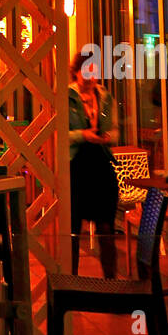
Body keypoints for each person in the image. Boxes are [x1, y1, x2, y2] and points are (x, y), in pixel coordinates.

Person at [68, 48, 119, 277]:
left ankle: (111, 280)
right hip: (77, 167)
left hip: (101, 165)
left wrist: (108, 137)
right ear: (76, 72)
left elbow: (116, 131)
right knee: (72, 229)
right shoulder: (67, 97)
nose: (90, 77)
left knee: (106, 226)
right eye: (86, 71)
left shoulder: (104, 96)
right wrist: (83, 135)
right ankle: (71, 280)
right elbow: (58, 134)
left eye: (94, 71)